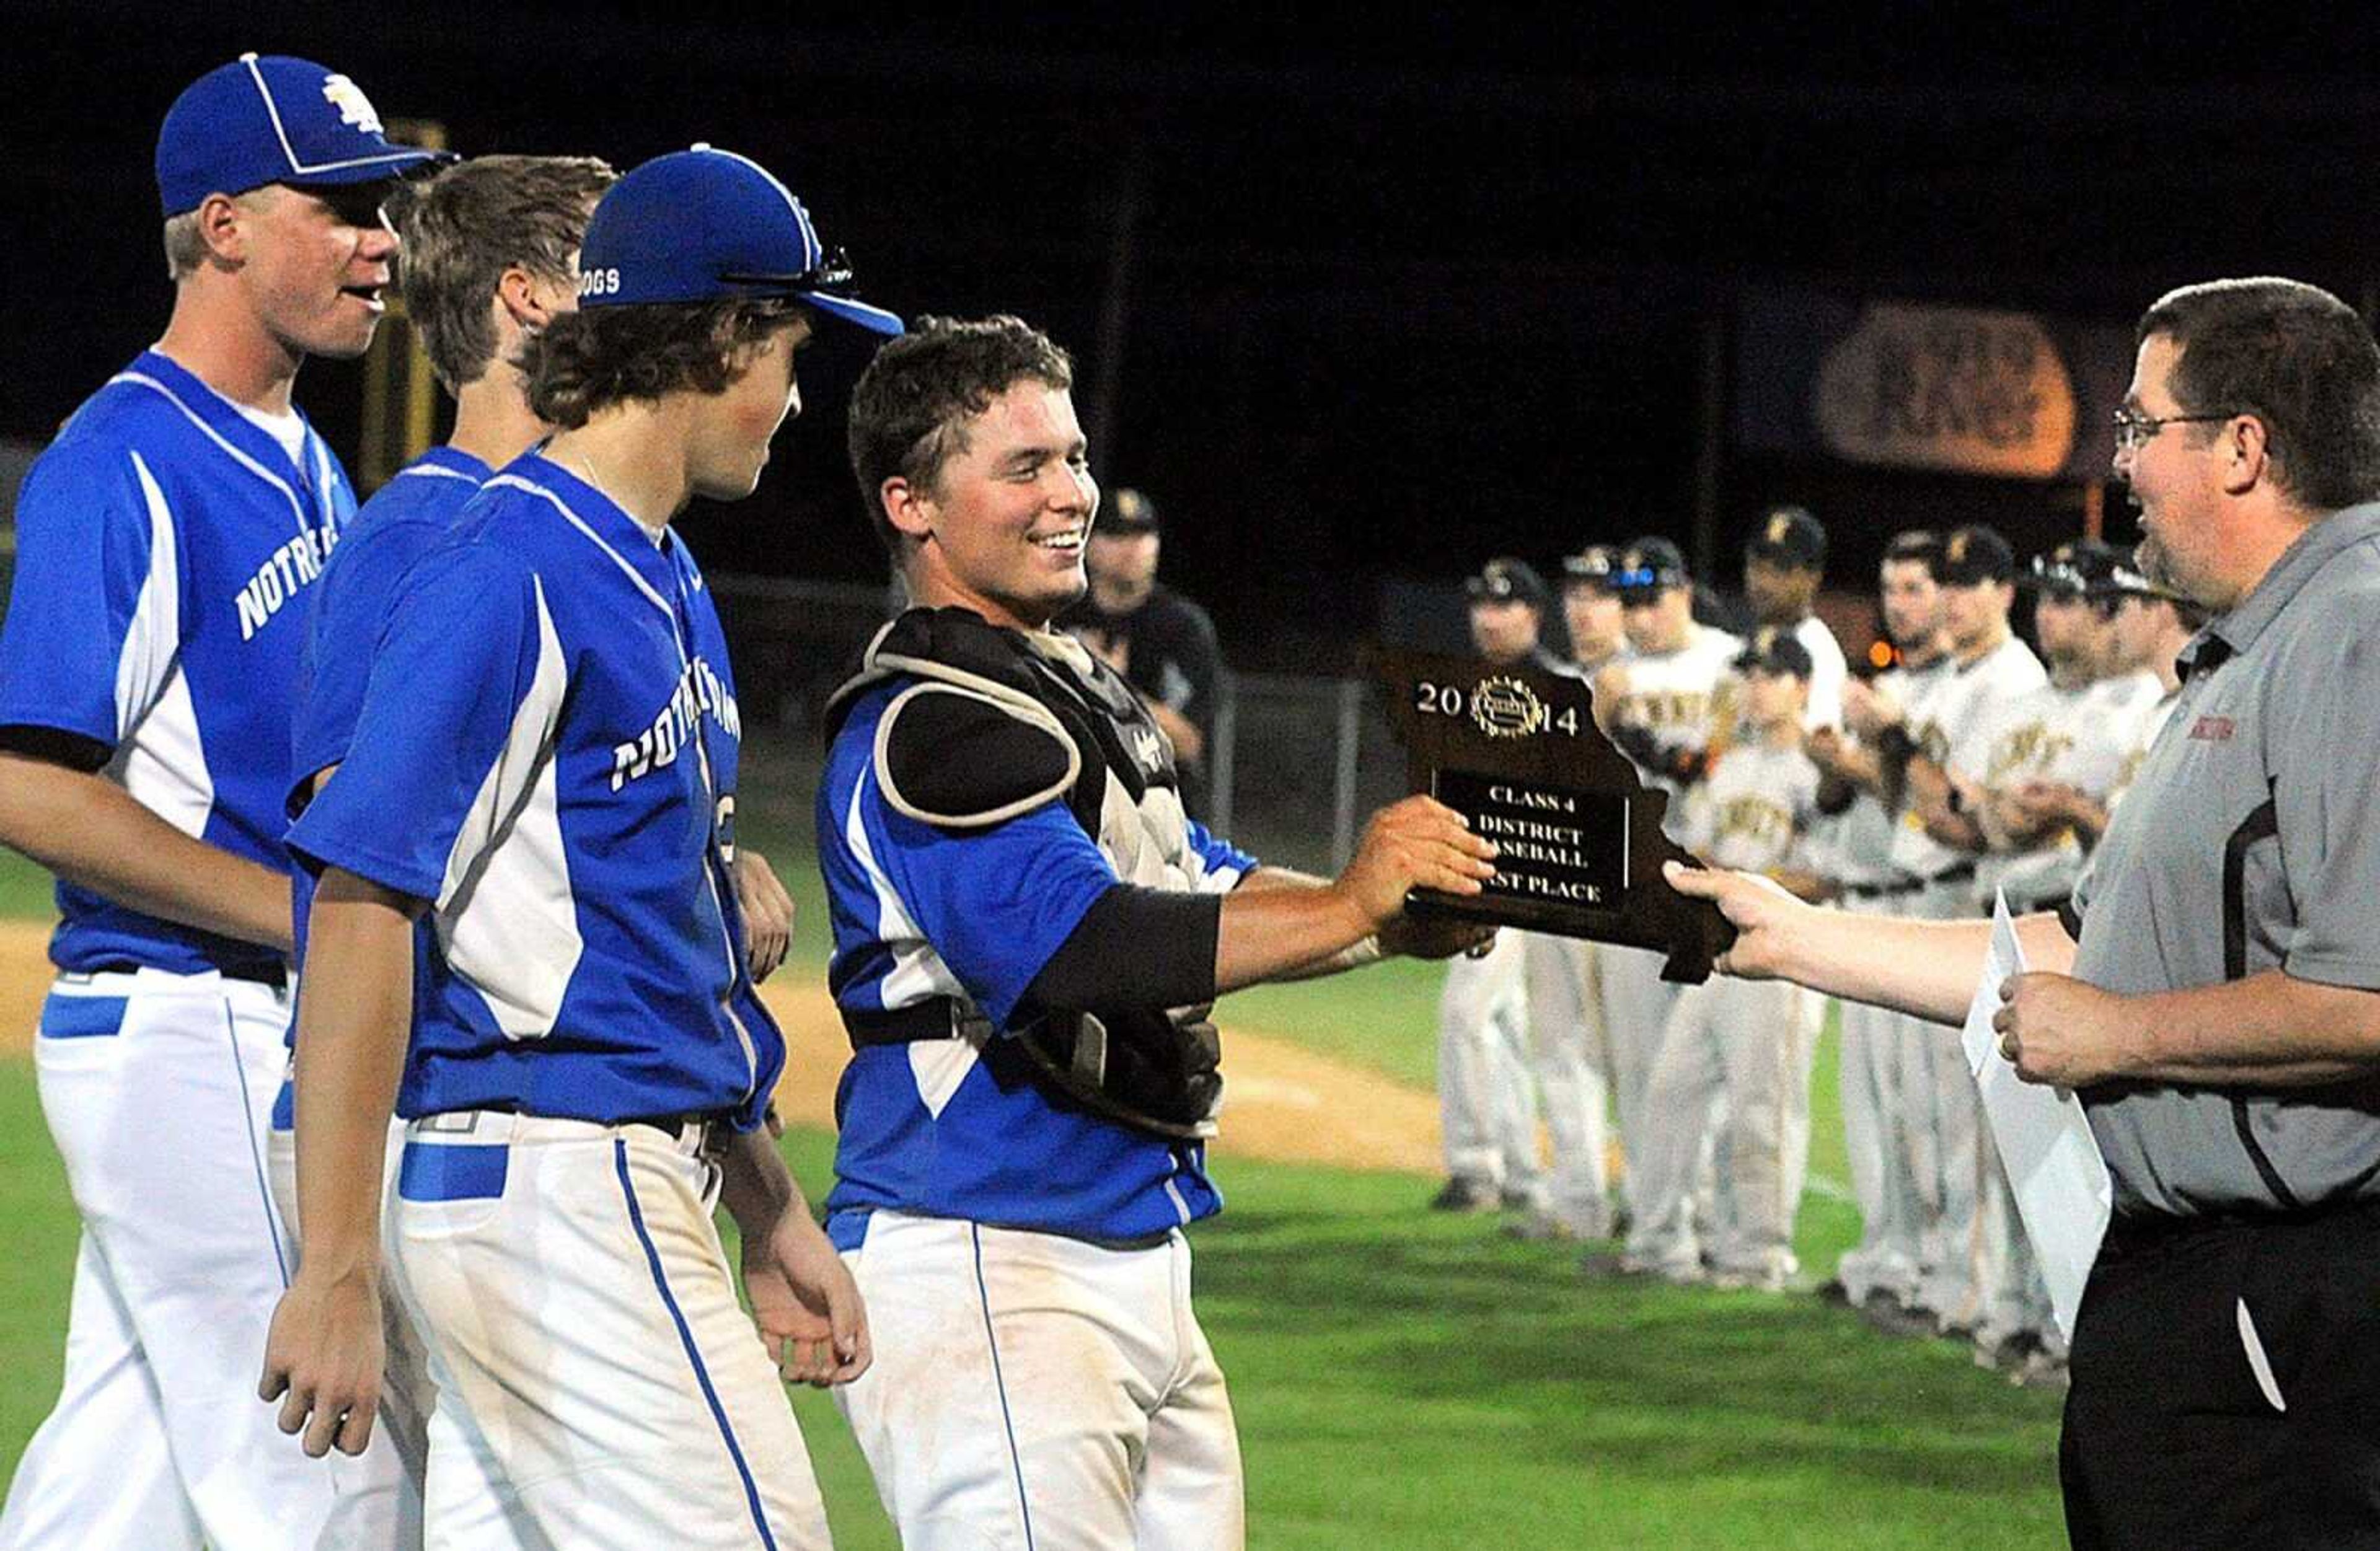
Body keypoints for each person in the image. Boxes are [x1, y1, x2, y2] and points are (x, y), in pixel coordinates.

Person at [259, 146, 903, 1547]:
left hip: (599, 1173)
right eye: (788, 347)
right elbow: (363, 900)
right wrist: (332, 1264)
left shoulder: (652, 562)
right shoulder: (508, 566)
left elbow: (658, 943)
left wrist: (766, 1200)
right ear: (720, 331)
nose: (794, 398)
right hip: (565, 1188)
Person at [1672, 275, 2380, 1545]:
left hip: (2284, 1301)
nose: (2123, 468)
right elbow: (2074, 951)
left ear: (2243, 447)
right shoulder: (2252, 646)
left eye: (2138, 428)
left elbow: (2367, 995)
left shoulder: (2356, 631)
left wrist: (2123, 1038)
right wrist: (1785, 934)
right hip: (2176, 1290)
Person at [820, 313, 1495, 1549]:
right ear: (912, 503)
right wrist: (1349, 899)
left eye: (1071, 457)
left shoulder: (1069, 683)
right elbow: (1082, 948)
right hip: (992, 1257)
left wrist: (1391, 921)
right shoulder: (934, 718)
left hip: (1129, 1248)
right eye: (1023, 468)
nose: (1070, 493)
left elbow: (1200, 881)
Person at [0, 54, 443, 1549]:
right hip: (196, 1017)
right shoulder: (121, 457)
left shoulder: (311, 463)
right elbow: (27, 785)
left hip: (240, 1019)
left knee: (115, 1501)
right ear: (225, 225)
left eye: (384, 209)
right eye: (342, 206)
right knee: (342, 1486)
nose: (382, 239)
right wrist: (304, 914)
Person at [260, 151, 621, 1534]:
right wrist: (338, 1256)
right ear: (529, 301)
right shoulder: (427, 529)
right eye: (612, 264)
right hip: (402, 1119)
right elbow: (363, 863)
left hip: (468, 1126)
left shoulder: (573, 533)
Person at [1624, 628, 1827, 1288]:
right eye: (1751, 673)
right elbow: (1704, 850)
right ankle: (1661, 1243)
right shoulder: (1731, 763)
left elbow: (1825, 876)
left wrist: (1751, 881)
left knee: (1762, 1105)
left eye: (1769, 674)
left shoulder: (1817, 772)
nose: (1756, 686)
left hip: (1788, 951)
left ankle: (1759, 1253)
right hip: (1718, 950)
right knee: (1671, 1088)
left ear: (1801, 686)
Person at [1807, 530, 1952, 1324]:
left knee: (1925, 1106)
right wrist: (1834, 763)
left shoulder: (1950, 691)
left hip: (1925, 900)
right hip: (1866, 899)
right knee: (1869, 1101)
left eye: (1917, 588)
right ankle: (1883, 1258)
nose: (1901, 603)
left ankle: (1933, 1271)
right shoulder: (1883, 684)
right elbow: (1837, 804)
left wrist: (1866, 755)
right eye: (1892, 588)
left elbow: (1922, 802)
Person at [1587, 536, 1742, 1252]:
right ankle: (1656, 1219)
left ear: (1684, 591)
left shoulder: (1728, 660)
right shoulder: (1610, 674)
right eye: (1630, 603)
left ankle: (1709, 1218)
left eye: (1651, 599)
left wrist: (1629, 726)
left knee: (1712, 1062)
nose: (1640, 616)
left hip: (1711, 879)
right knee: (1639, 1059)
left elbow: (1710, 766)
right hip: (1636, 879)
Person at [1506, 544, 1636, 1241]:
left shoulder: (1644, 683)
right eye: (1577, 594)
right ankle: (1580, 1201)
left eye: (1601, 594)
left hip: (1620, 893)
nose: (1585, 609)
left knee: (1630, 1056)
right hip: (1557, 888)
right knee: (1559, 1046)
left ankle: (1663, 1206)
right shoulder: (1560, 684)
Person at [1430, 558, 1566, 1216]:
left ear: (1534, 616)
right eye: (1481, 603)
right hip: (1481, 875)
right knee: (1506, 1027)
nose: (1488, 615)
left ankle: (1478, 1166)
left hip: (1535, 884)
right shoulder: (1464, 690)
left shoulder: (1560, 687)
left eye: (1504, 604)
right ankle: (1520, 1171)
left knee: (1469, 1015)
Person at [1059, 488, 1225, 817]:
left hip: (1162, 814)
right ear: (1088, 546)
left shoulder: (1182, 626)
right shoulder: (1059, 616)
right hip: (1076, 807)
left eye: (1144, 534)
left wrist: (1107, 683)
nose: (1135, 548)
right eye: (1117, 535)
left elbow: (1187, 743)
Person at [1742, 504, 1848, 728]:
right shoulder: (1747, 642)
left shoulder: (1819, 653)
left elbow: (1818, 747)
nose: (1763, 581)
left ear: (1813, 578)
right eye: (1757, 566)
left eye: (1780, 570)